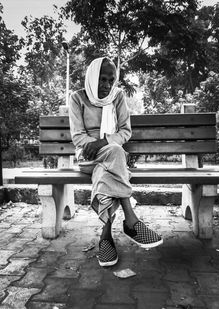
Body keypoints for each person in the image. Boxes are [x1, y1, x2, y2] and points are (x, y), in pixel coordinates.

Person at [69, 56, 163, 267]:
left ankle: (106, 237)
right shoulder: (77, 98)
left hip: (110, 157)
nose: (107, 85)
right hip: (88, 156)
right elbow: (77, 137)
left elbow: (125, 131)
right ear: (93, 78)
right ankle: (131, 220)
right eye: (102, 79)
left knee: (106, 171)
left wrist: (103, 142)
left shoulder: (117, 96)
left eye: (111, 79)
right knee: (115, 154)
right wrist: (95, 145)